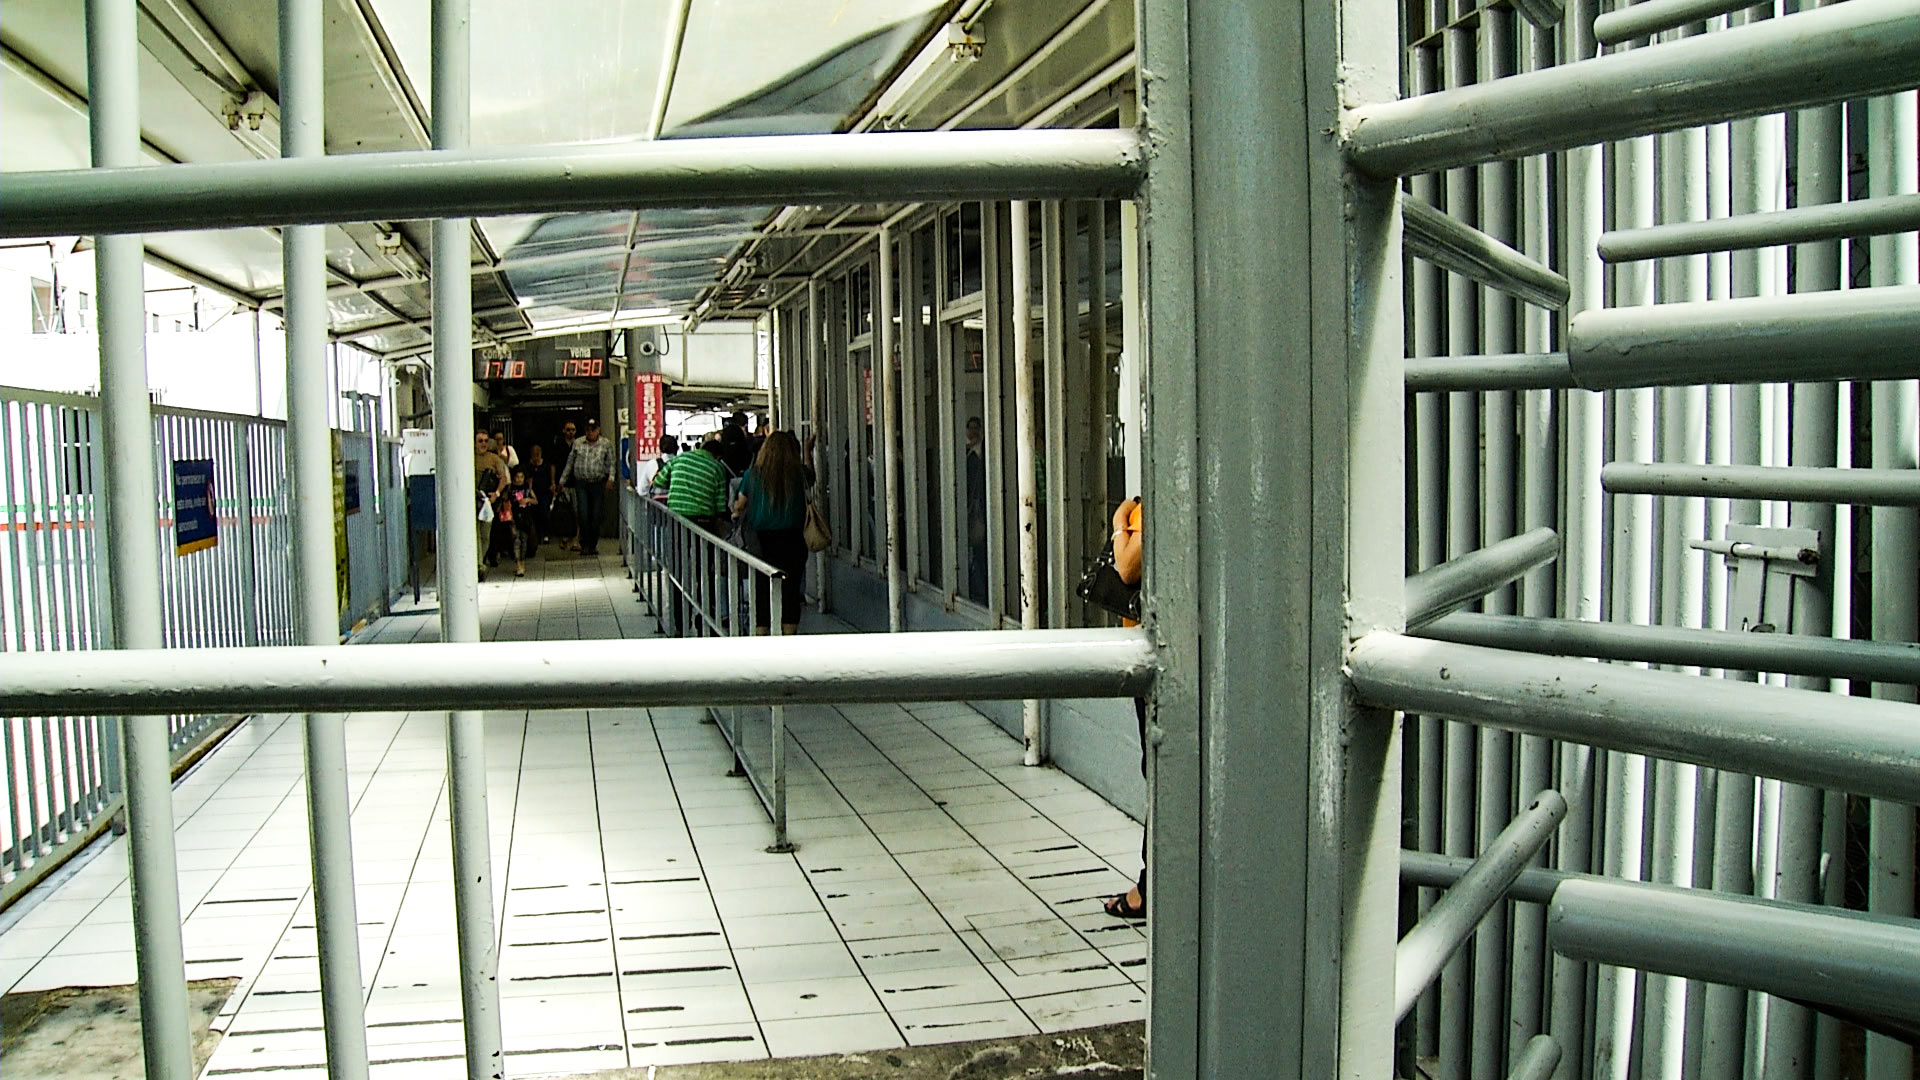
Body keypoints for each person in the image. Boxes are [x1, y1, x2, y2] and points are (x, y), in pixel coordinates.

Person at [1104, 496, 1146, 921]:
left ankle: (1150, 886)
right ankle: (1151, 881)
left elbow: (1128, 568)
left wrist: (1119, 521)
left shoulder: (1147, 507)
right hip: (1142, 649)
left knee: (1158, 769)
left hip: (1155, 653)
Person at [732, 430, 816, 635]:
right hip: (793, 540)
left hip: (761, 542)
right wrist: (807, 450)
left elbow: (740, 505)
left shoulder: (753, 475)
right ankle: (788, 637)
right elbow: (811, 477)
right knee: (791, 590)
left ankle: (762, 634)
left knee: (761, 589)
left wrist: (737, 510)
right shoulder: (798, 473)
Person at [559, 418, 615, 555]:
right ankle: (584, 543)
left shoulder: (605, 444)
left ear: (598, 430)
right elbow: (570, 462)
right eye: (588, 430)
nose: (590, 432)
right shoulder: (578, 443)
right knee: (583, 514)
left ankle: (592, 544)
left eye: (593, 429)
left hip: (598, 482)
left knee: (596, 515)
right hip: (581, 482)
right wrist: (562, 481)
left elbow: (611, 462)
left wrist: (611, 479)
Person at [663, 433, 730, 533]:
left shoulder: (680, 458)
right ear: (718, 456)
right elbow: (720, 504)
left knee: (677, 546)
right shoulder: (718, 467)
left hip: (676, 515)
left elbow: (659, 480)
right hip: (703, 520)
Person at [472, 430, 508, 583]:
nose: (483, 444)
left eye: (486, 441)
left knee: (485, 535)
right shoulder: (468, 457)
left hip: (487, 501)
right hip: (472, 499)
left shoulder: (494, 458)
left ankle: (480, 561)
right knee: (475, 534)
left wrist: (497, 494)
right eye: (480, 441)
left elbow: (503, 478)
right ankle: (479, 566)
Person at [964, 416, 988, 603]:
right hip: (975, 513)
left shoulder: (985, 456)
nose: (971, 432)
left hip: (983, 512)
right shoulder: (968, 456)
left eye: (975, 429)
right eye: (969, 429)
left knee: (981, 553)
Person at [505, 466, 539, 576]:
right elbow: (506, 501)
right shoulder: (510, 489)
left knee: (524, 541)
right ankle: (518, 564)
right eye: (517, 477)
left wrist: (528, 499)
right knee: (516, 541)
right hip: (514, 517)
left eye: (521, 477)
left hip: (525, 517)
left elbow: (536, 501)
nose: (519, 479)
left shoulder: (527, 489)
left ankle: (522, 563)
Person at [525, 444, 557, 543]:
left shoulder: (546, 466)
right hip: (534, 492)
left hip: (545, 492)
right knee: (535, 513)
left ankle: (546, 533)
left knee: (544, 512)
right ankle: (537, 534)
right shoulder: (529, 466)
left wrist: (552, 485)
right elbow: (529, 479)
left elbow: (551, 476)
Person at [647, 434, 680, 499]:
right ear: (676, 448)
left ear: (660, 448)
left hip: (655, 505)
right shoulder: (681, 464)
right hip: (675, 504)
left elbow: (641, 490)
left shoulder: (652, 464)